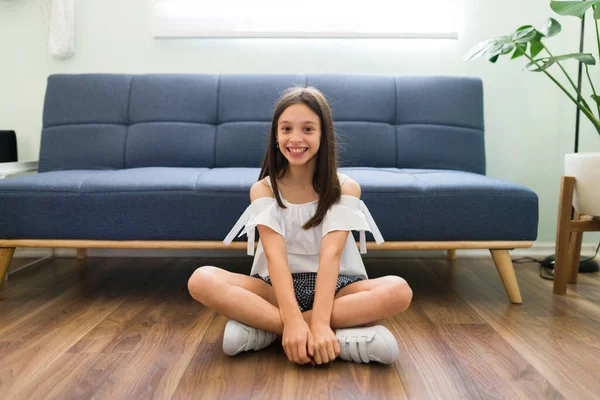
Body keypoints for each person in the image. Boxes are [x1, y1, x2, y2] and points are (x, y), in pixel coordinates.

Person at [187, 86, 413, 366]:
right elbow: (275, 257)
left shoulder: (346, 188)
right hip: (275, 289)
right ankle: (330, 337)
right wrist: (292, 320)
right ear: (275, 134)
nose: (295, 138)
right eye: (286, 129)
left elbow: (330, 256)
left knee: (399, 289)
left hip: (338, 289)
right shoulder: (263, 189)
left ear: (323, 134)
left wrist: (319, 321)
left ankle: (265, 330)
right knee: (201, 279)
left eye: (307, 129)